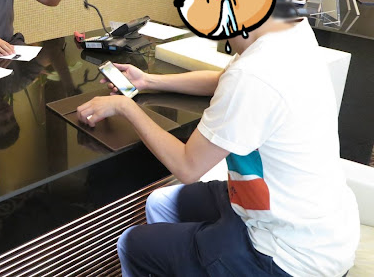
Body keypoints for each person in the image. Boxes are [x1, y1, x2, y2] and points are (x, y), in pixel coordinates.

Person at [76, 16, 360, 276]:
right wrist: (148, 80)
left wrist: (125, 108)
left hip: (291, 257)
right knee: (160, 203)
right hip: (312, 222)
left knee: (130, 244)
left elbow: (187, 167)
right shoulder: (287, 31)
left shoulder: (254, 72)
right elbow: (225, 79)